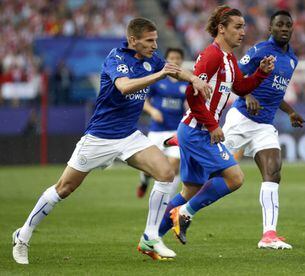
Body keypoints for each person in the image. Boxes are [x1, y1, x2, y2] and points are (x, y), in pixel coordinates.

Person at [12, 17, 211, 264]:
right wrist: (160, 75)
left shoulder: (152, 59)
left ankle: (150, 236)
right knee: (64, 188)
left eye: (156, 40)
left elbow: (174, 69)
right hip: (100, 137)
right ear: (133, 40)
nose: (154, 45)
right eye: (149, 41)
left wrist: (194, 79)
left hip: (129, 135)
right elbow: (125, 87)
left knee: (165, 173)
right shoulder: (116, 58)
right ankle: (23, 235)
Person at [158, 5, 275, 246]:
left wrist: (261, 73)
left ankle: (151, 237)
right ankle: (184, 214)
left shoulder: (229, 59)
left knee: (189, 190)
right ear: (221, 29)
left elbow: (241, 89)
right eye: (238, 27)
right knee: (235, 178)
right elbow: (192, 95)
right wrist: (212, 126)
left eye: (244, 27)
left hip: (193, 131)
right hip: (198, 131)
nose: (243, 32)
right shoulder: (211, 56)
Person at [222, 10, 305, 250]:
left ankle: (269, 235)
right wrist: (247, 94)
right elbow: (234, 75)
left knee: (273, 171)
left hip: (264, 125)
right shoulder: (260, 50)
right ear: (270, 28)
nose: (284, 29)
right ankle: (181, 209)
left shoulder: (292, 59)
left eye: (288, 25)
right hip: (241, 118)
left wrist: (289, 112)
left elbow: (275, 92)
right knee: (210, 166)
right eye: (279, 25)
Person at [137, 47, 187, 198]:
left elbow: (190, 103)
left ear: (181, 61)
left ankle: (166, 202)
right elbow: (143, 100)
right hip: (157, 130)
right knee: (149, 167)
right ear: (167, 60)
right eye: (171, 58)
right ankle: (144, 180)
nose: (175, 61)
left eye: (177, 58)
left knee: (174, 165)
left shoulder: (186, 81)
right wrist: (153, 111)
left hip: (176, 131)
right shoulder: (158, 79)